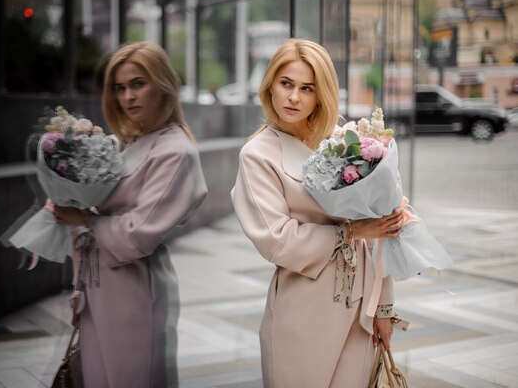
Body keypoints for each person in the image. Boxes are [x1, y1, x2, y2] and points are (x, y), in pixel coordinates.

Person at [231, 38, 405, 387]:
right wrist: (353, 232)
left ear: (320, 93)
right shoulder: (258, 155)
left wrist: (384, 309)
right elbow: (278, 242)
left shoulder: (344, 141)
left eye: (306, 88)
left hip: (359, 308)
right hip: (303, 308)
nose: (294, 97)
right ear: (271, 87)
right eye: (286, 84)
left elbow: (379, 232)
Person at [53, 41, 208, 388]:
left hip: (135, 289)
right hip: (99, 283)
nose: (128, 97)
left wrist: (85, 220)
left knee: (133, 378)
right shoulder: (127, 142)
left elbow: (141, 234)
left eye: (138, 84)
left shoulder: (175, 150)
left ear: (163, 85)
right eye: (120, 88)